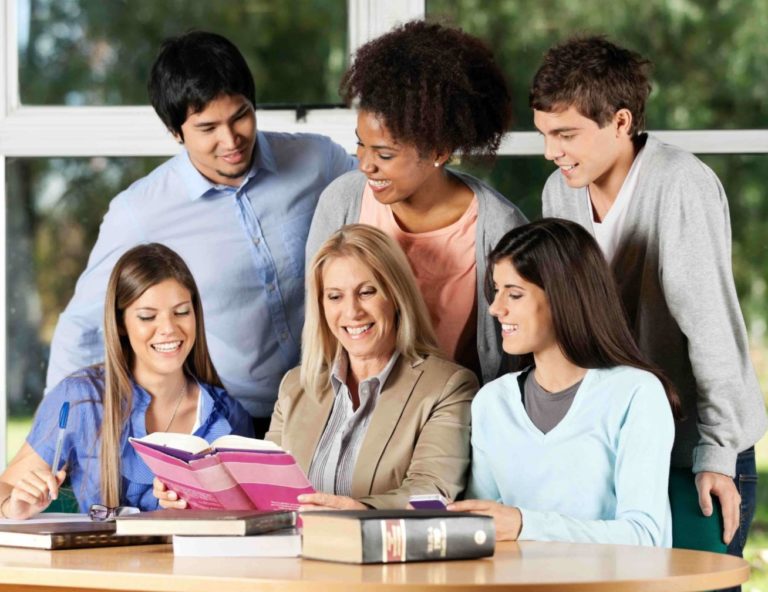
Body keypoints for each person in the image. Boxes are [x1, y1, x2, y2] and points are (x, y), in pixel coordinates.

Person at [45, 31, 356, 437]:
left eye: (240, 116)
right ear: (175, 131)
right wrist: (53, 442)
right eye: (208, 127)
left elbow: (389, 201)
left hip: (328, 405)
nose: (230, 141)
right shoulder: (139, 212)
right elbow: (82, 328)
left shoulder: (319, 161)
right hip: (223, 422)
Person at [530, 35, 766, 559]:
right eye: (544, 133)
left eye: (566, 134)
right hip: (616, 445)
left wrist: (718, 452)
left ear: (620, 122)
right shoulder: (559, 191)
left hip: (694, 448)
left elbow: (711, 329)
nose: (552, 151)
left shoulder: (680, 185)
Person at [156, 224, 478, 510]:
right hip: (296, 565)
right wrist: (197, 497)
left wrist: (356, 511)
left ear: (395, 296)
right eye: (335, 297)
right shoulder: (295, 386)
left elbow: (432, 492)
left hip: (382, 567)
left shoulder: (446, 386)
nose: (351, 312)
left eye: (366, 292)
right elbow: (261, 492)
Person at [306, 21, 527, 385]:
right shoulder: (343, 201)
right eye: (361, 143)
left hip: (457, 415)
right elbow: (319, 322)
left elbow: (515, 356)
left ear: (439, 152)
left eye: (385, 154)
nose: (365, 164)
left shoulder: (500, 227)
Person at [449, 219, 679, 545]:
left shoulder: (636, 394)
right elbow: (486, 526)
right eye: (496, 291)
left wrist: (524, 525)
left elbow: (646, 537)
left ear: (562, 297)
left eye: (514, 294)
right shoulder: (492, 401)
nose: (495, 308)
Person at [0, 244, 253, 518]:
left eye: (181, 312)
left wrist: (203, 510)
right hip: (97, 561)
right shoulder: (82, 399)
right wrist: (13, 505)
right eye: (148, 316)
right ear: (120, 323)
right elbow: (6, 488)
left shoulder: (228, 417)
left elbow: (254, 519)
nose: (168, 329)